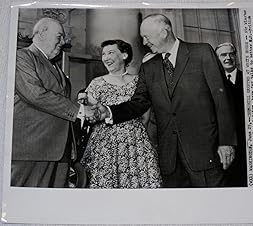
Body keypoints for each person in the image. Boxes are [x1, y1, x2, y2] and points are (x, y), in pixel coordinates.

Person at [89, 14, 237, 188]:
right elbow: (138, 103)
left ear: (164, 32)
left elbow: (222, 99)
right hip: (170, 160)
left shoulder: (202, 52)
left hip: (205, 154)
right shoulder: (149, 67)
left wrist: (226, 142)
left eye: (147, 37)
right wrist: (109, 111)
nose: (144, 43)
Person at [11, 17, 88, 187]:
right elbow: (35, 94)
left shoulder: (54, 66)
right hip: (33, 149)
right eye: (59, 36)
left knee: (53, 204)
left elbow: (58, 102)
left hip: (60, 151)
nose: (63, 42)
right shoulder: (22, 57)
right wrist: (80, 110)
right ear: (41, 33)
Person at [80, 39, 162, 188]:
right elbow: (90, 115)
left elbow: (145, 117)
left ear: (124, 55)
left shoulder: (139, 81)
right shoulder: (96, 83)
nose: (105, 57)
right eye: (103, 54)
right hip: (104, 145)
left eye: (110, 52)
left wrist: (131, 134)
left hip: (135, 145)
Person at [215, 42, 247, 186]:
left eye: (231, 54)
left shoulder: (249, 80)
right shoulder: (213, 84)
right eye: (223, 55)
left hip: (247, 143)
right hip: (225, 146)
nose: (228, 57)